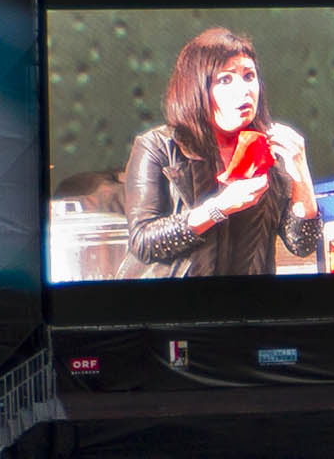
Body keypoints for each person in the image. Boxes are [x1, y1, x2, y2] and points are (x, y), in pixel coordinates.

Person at [119, 29, 322, 279]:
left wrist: (301, 172)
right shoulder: (158, 146)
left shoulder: (268, 151)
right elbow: (143, 242)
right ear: (197, 89)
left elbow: (302, 245)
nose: (244, 90)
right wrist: (219, 207)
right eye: (225, 80)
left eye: (249, 76)